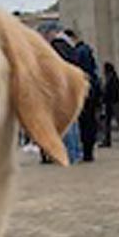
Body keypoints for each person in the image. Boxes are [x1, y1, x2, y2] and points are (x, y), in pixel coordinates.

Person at [38, 23, 82, 164]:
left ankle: (69, 154)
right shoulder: (69, 45)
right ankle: (75, 152)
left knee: (65, 123)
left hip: (62, 88)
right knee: (73, 123)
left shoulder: (57, 46)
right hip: (72, 86)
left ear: (51, 33)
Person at [65, 28, 102, 162]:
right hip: (92, 90)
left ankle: (85, 152)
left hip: (84, 90)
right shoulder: (87, 50)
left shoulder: (79, 52)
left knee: (84, 122)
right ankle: (88, 151)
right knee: (90, 121)